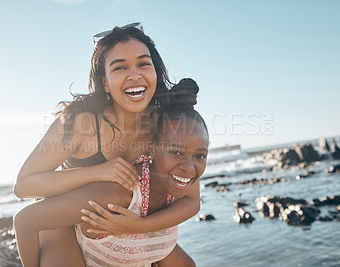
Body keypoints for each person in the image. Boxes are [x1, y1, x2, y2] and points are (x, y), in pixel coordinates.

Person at [13, 23, 201, 266]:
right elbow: (24, 185)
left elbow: (192, 199)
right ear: (104, 83)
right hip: (65, 219)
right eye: (120, 67)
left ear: (155, 72)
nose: (134, 75)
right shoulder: (79, 123)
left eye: (144, 64)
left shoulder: (165, 123)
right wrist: (98, 172)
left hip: (122, 222)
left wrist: (139, 227)